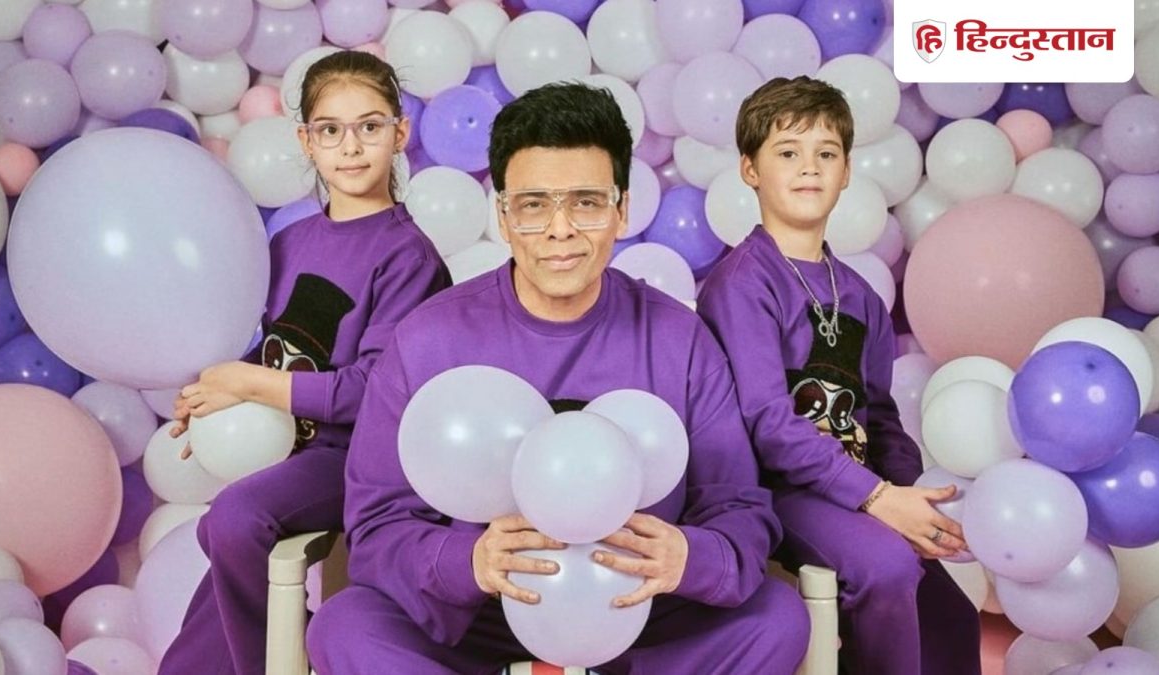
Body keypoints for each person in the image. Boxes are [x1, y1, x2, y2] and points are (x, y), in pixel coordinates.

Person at [305, 82, 809, 675]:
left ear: (621, 210)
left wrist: (688, 556)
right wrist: (469, 562)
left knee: (776, 617)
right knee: (346, 626)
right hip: (476, 619)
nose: (560, 229)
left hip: (638, 612)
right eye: (534, 205)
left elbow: (739, 507)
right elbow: (377, 524)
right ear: (503, 216)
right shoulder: (427, 339)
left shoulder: (681, 339)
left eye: (587, 202)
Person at [158, 50, 451, 675]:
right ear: (306, 142)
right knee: (215, 556)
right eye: (331, 130)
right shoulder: (289, 242)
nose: (351, 146)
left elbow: (371, 392)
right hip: (282, 452)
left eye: (370, 126)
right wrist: (214, 399)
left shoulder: (408, 257)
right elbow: (270, 350)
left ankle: (276, 661)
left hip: (358, 461)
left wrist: (248, 383)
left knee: (234, 519)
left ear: (400, 133)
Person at [697, 76, 981, 674]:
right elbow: (768, 424)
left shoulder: (860, 296)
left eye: (826, 153)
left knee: (955, 616)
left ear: (847, 171)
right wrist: (878, 500)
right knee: (888, 567)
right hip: (774, 493)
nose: (809, 167)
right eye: (787, 152)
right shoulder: (743, 284)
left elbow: (880, 415)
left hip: (858, 492)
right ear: (750, 170)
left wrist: (909, 497)